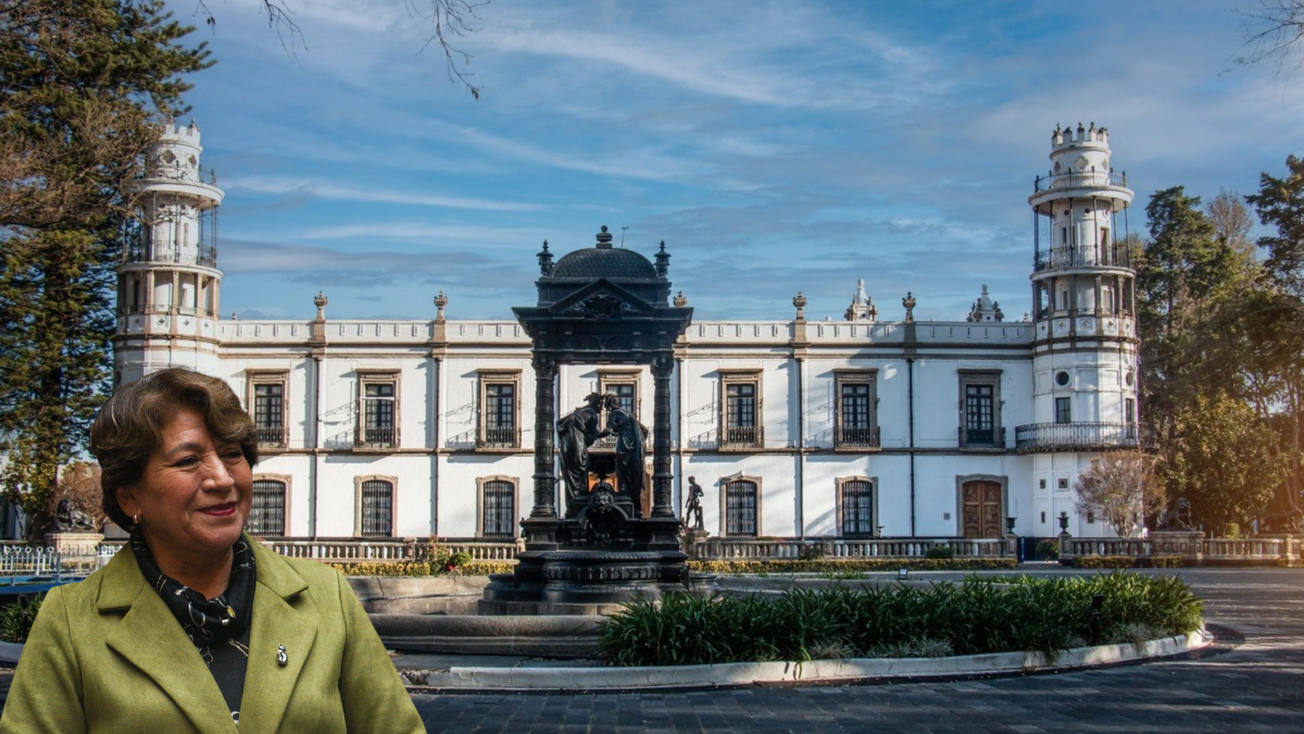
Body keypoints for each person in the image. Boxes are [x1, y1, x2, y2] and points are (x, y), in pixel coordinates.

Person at [0, 368, 425, 734]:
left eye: (232, 454)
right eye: (188, 461)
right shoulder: (73, 621)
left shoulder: (324, 596)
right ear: (130, 497)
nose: (222, 478)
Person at [555, 393, 604, 510]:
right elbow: (590, 438)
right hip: (577, 444)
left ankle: (572, 505)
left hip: (566, 445)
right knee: (580, 471)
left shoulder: (577, 413)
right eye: (601, 405)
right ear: (597, 404)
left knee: (571, 477)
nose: (602, 408)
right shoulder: (592, 415)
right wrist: (600, 434)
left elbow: (558, 424)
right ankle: (579, 503)